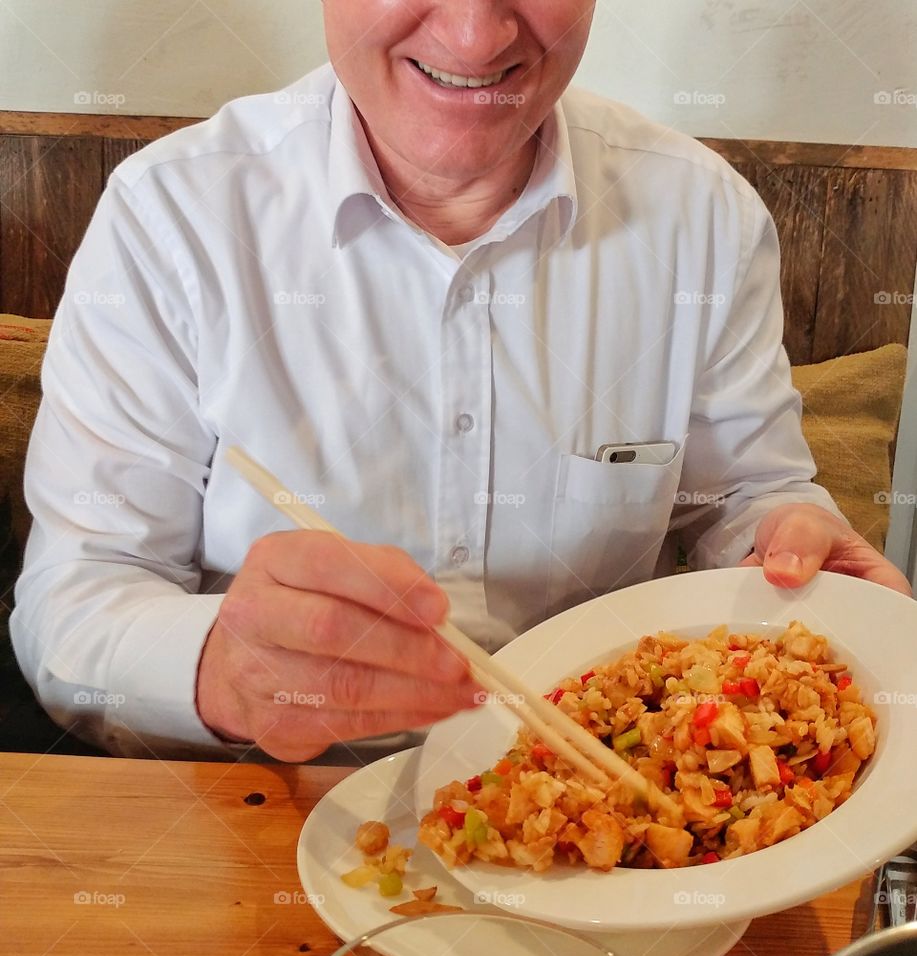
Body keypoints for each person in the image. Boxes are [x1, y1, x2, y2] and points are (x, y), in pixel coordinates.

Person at [12, 0, 910, 763]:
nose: (477, 36)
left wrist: (789, 552)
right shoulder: (173, 216)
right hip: (259, 820)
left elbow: (739, 500)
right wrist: (214, 667)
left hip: (608, 813)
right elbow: (74, 606)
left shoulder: (701, 217)